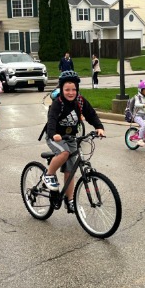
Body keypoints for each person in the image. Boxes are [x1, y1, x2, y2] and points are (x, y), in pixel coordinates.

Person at [43, 70, 105, 206]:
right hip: (55, 136)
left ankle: (69, 200)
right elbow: (52, 119)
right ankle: (48, 175)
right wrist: (53, 134)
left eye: (73, 89)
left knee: (70, 171)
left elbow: (91, 114)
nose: (70, 93)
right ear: (61, 89)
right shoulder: (58, 103)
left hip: (70, 137)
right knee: (64, 153)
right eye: (67, 90)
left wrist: (99, 127)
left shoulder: (80, 101)